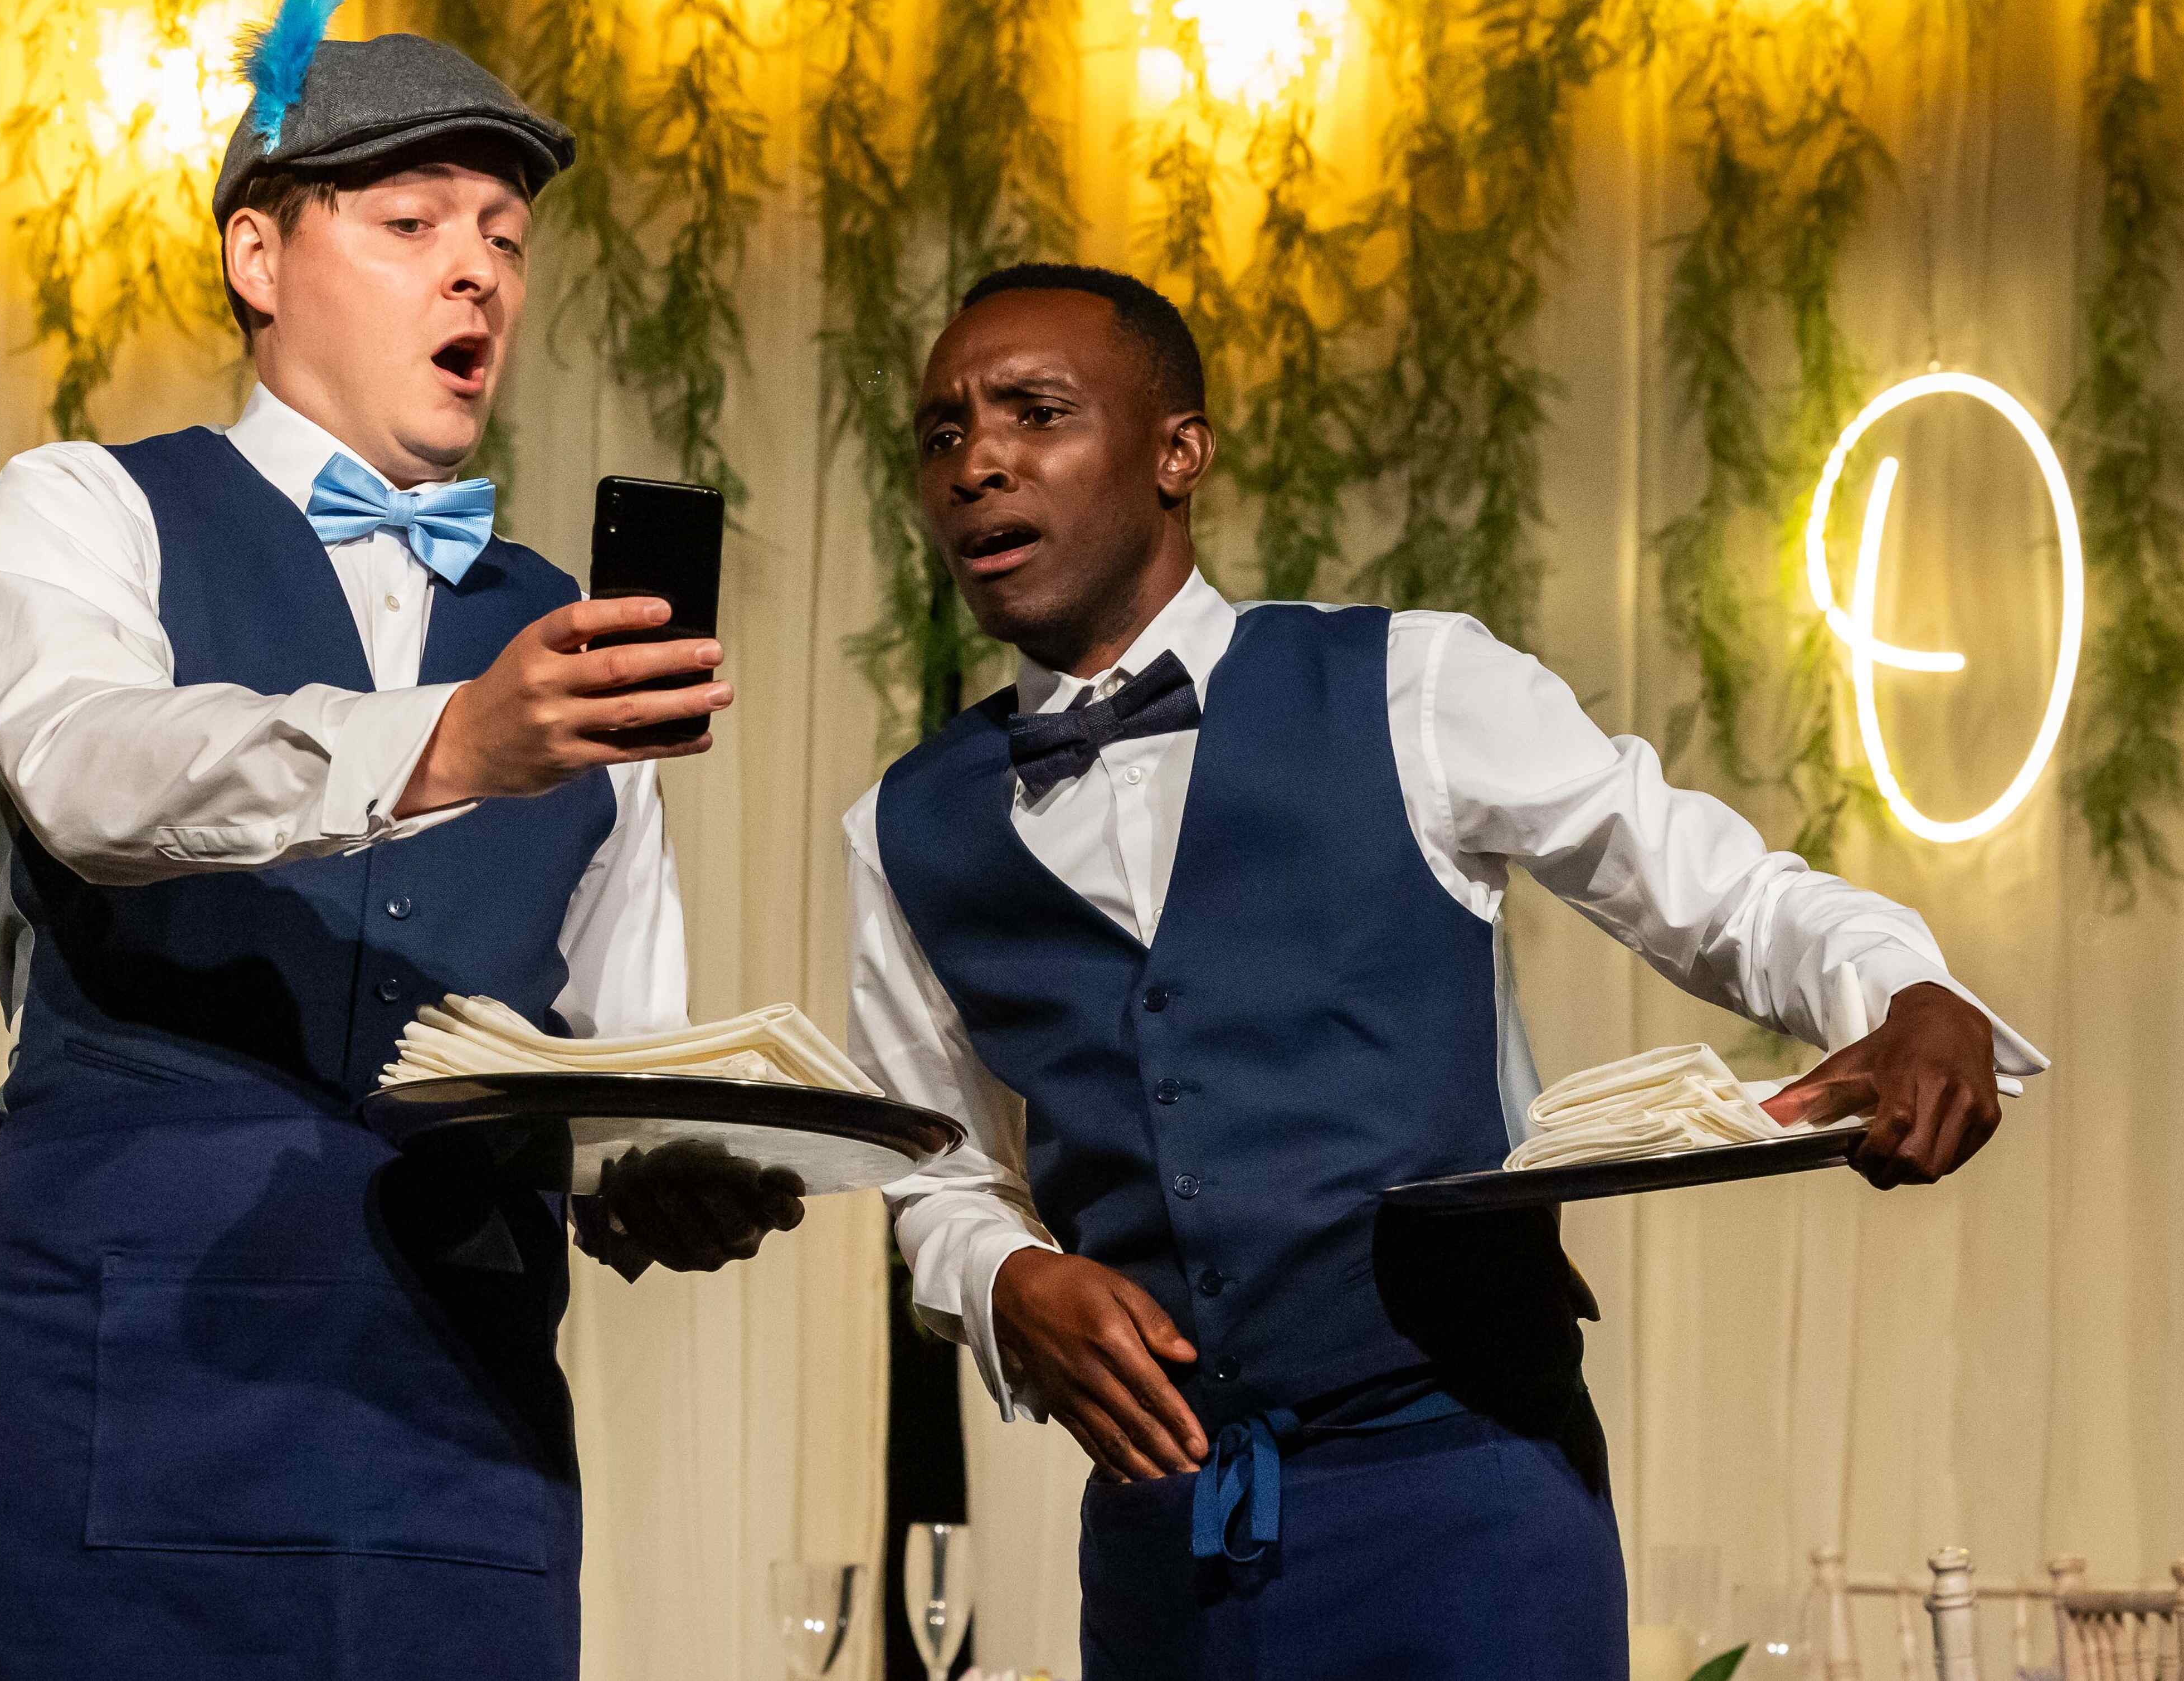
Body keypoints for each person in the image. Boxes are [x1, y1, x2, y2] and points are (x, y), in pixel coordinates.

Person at [847, 263, 2050, 1679]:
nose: (977, 460)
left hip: (1466, 1500)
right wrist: (1004, 1278)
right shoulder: (902, 822)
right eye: (941, 433)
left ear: (1178, 451)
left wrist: (1907, 992)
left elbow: (1713, 892)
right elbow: (928, 1162)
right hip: (1161, 1542)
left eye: (1034, 413)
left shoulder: (1413, 682)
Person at [0, 0, 795, 1680]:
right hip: (138, 1378)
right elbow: (92, 767)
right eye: (412, 226)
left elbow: (617, 1034)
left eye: (505, 239)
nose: (474, 272)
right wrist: (450, 745)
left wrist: (659, 1173)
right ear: (261, 253)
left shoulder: (564, 627)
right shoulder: (87, 508)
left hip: (453, 1422)